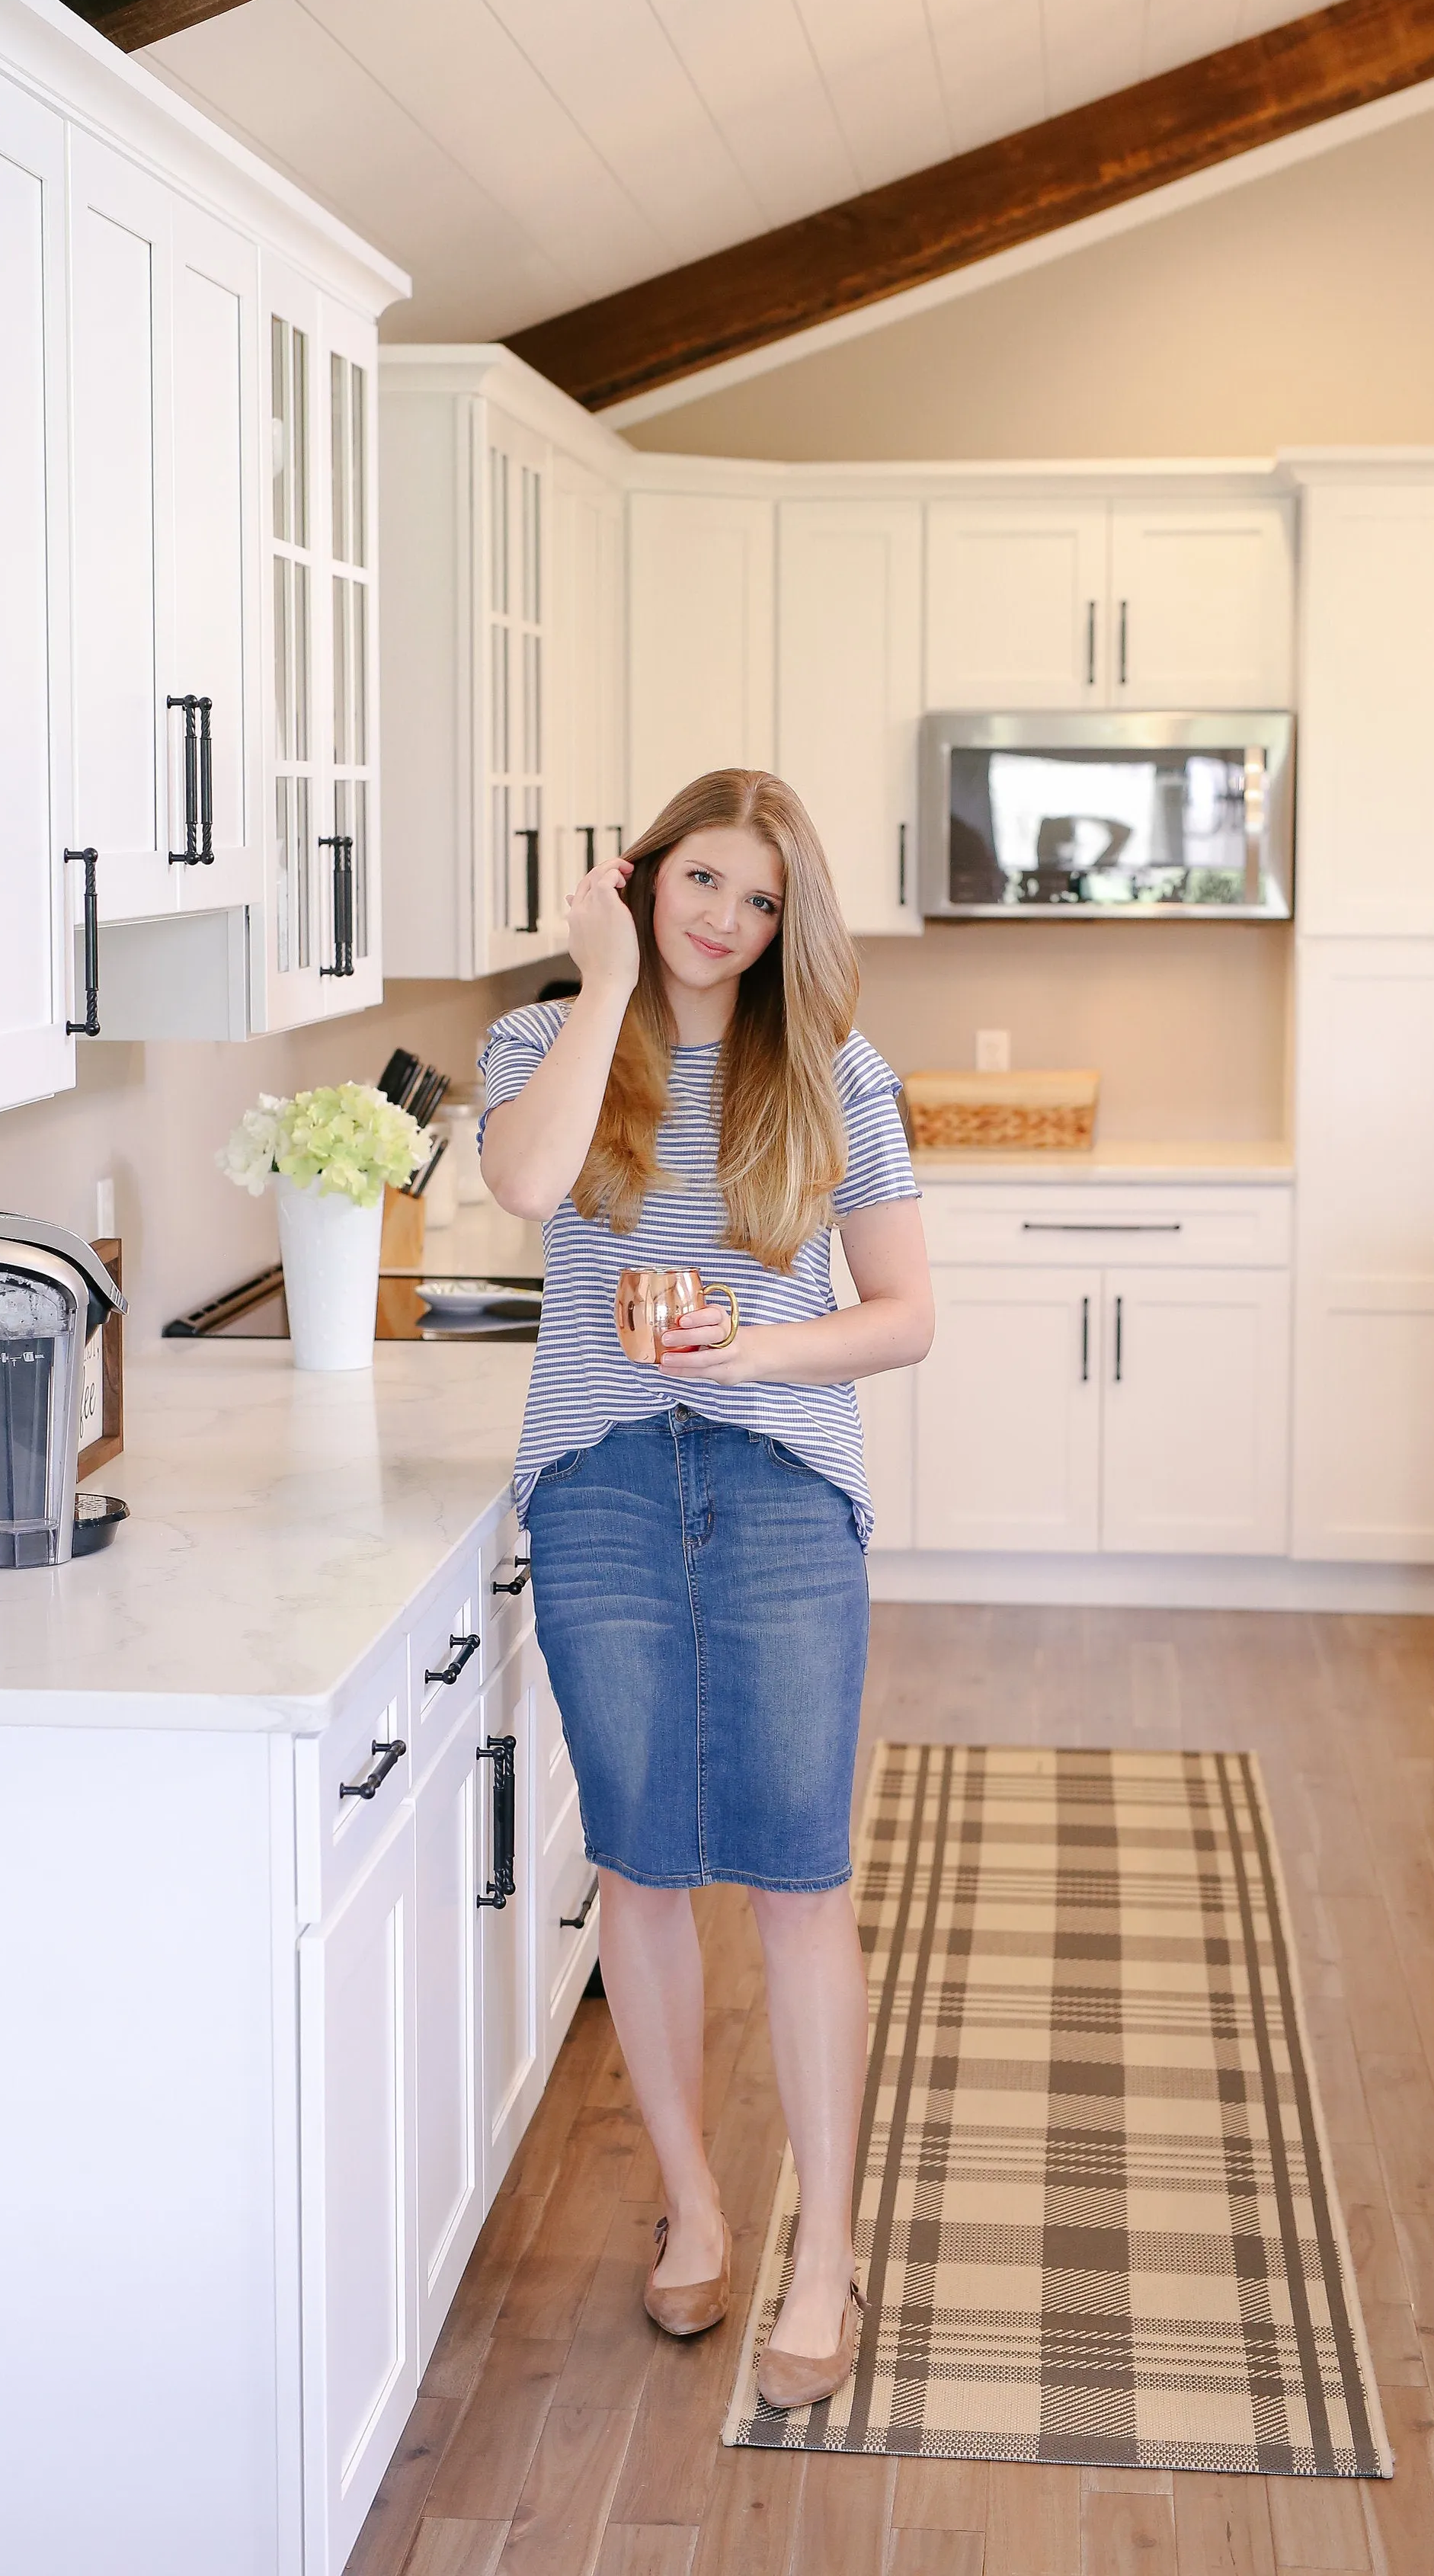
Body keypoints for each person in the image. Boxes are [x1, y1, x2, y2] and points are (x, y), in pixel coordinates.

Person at [478, 768, 933, 2411]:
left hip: (783, 1485)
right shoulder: (545, 1047)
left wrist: (753, 1344)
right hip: (599, 1483)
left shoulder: (833, 1072)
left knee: (801, 1875)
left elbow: (903, 1314)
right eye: (704, 885)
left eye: (761, 900)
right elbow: (527, 1192)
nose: (728, 924)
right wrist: (602, 980)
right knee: (643, 1865)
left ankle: (826, 2255)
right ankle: (694, 2201)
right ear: (646, 874)